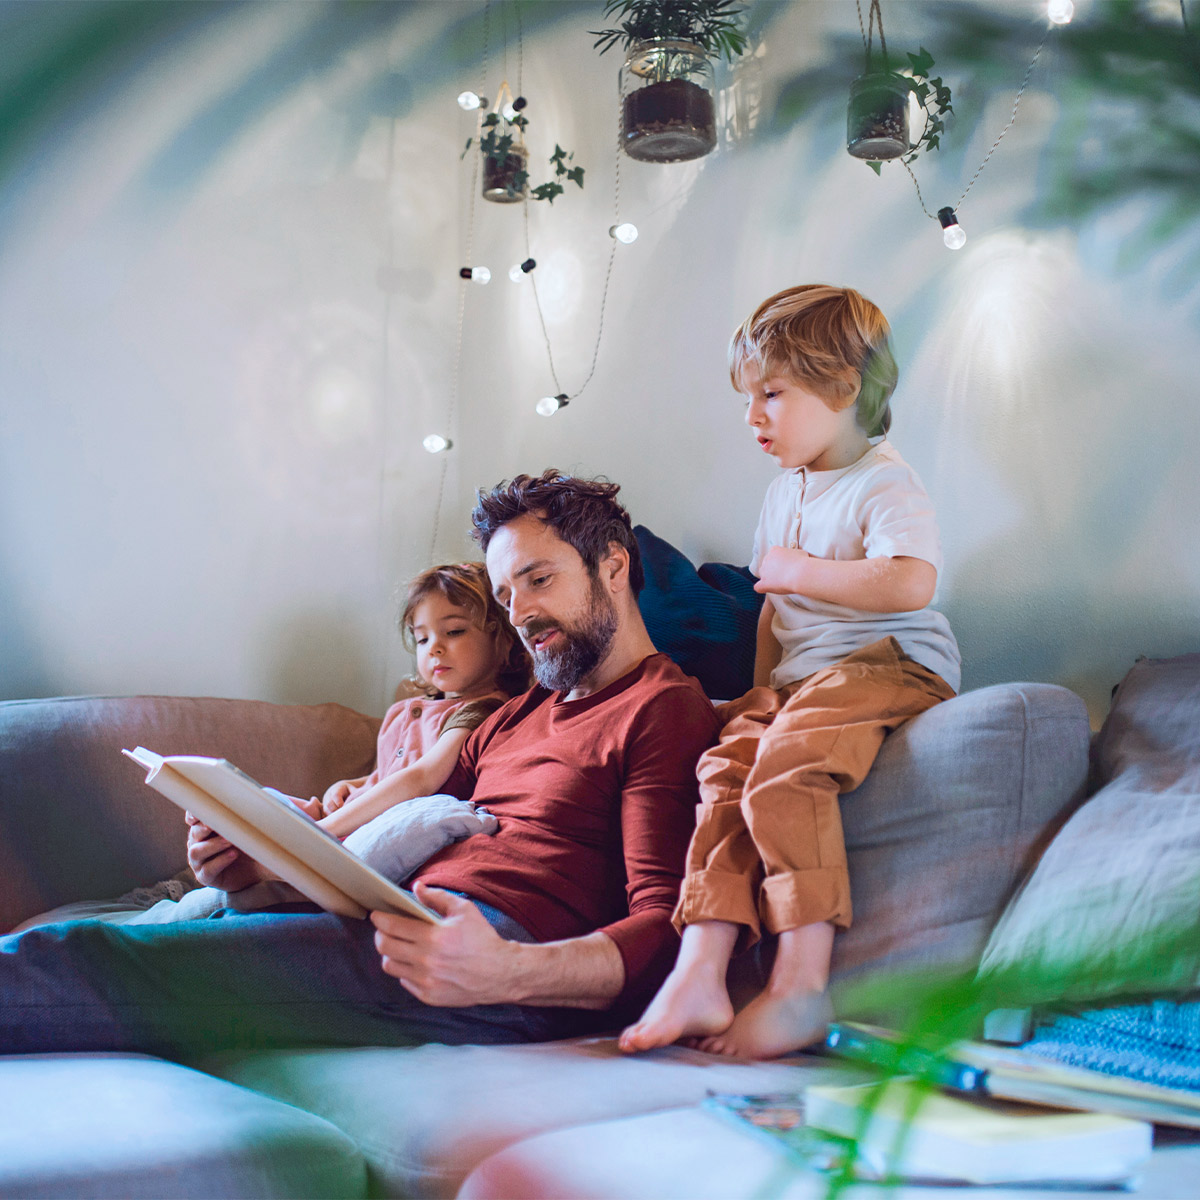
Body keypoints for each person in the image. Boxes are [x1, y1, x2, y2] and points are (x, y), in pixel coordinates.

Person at [0, 471, 720, 1057]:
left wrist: (510, 971)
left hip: (493, 964)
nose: (521, 612)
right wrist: (256, 861)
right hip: (396, 920)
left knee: (91, 960)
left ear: (615, 567)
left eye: (538, 580)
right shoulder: (519, 712)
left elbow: (663, 927)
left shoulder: (662, 706)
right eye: (506, 594)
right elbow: (397, 803)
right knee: (120, 940)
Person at [620, 284, 961, 1060]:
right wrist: (757, 690)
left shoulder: (884, 482)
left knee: (787, 773)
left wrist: (801, 569)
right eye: (750, 398)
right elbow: (773, 611)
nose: (754, 417)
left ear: (845, 386)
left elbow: (910, 582)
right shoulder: (784, 492)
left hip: (892, 661)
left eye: (772, 394)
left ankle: (802, 984)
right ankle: (701, 968)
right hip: (808, 676)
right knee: (726, 769)